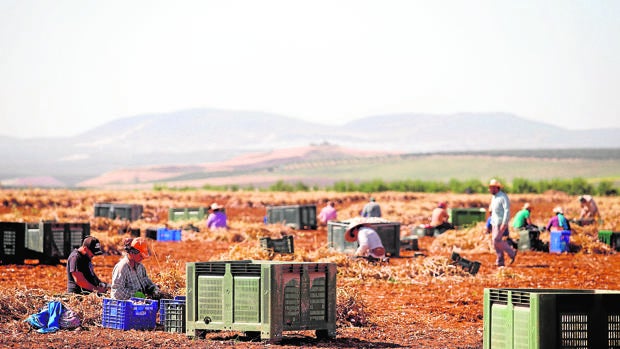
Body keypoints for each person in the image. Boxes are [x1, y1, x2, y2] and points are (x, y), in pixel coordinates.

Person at [488, 179, 517, 266]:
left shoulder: (503, 197)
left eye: (492, 188)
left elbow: (507, 211)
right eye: (490, 188)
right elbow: (491, 209)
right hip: (494, 222)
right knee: (495, 242)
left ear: (497, 188)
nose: (490, 190)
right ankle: (500, 261)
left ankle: (511, 252)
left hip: (500, 222)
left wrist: (504, 223)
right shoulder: (494, 197)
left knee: (496, 240)